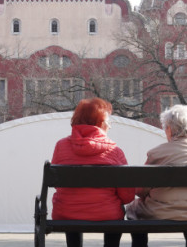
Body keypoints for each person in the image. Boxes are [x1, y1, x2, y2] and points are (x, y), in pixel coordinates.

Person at [126, 104, 187, 247]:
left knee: (133, 208)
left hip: (162, 213)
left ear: (168, 129)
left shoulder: (157, 153)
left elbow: (140, 190)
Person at [51, 97, 135, 247]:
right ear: (101, 123)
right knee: (115, 213)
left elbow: (58, 185)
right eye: (108, 122)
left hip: (67, 213)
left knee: (72, 208)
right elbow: (127, 195)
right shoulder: (114, 151)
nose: (109, 126)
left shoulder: (61, 146)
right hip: (106, 214)